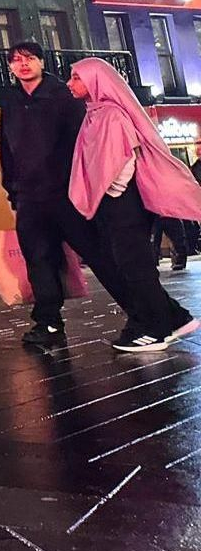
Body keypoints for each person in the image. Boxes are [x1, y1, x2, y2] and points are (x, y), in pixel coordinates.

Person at [67, 58, 201, 352]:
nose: (70, 83)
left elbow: (125, 157)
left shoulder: (111, 115)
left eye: (76, 78)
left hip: (123, 202)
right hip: (115, 202)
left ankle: (158, 330)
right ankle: (176, 318)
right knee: (129, 263)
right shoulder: (95, 113)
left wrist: (111, 189)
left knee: (134, 265)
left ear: (95, 81)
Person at [0, 41, 106, 348]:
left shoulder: (62, 95)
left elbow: (80, 144)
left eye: (30, 58)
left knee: (98, 252)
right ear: (10, 66)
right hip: (28, 197)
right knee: (38, 259)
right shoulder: (10, 101)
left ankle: (142, 312)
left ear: (41, 62)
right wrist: (13, 190)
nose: (23, 64)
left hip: (65, 194)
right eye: (17, 60)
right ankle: (48, 322)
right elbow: (6, 147)